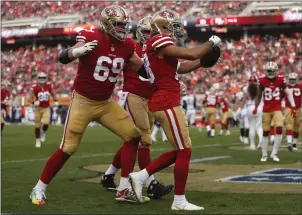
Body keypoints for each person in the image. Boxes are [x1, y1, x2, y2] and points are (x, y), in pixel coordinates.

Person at [30, 5, 149, 205]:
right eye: (118, 25)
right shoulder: (90, 35)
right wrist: (76, 52)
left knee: (133, 136)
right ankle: (38, 188)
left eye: (124, 25)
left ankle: (123, 189)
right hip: (83, 102)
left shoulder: (127, 45)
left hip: (106, 103)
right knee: (68, 148)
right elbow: (63, 57)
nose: (123, 29)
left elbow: (142, 69)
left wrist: (167, 77)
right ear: (107, 24)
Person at [128, 9, 221, 210]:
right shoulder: (157, 41)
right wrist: (211, 42)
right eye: (173, 25)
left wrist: (203, 63)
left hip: (166, 100)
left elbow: (183, 66)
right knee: (185, 150)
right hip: (166, 101)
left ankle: (141, 176)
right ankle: (179, 201)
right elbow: (192, 52)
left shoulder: (160, 46)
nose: (177, 29)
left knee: (181, 150)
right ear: (162, 26)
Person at [100, 16, 173, 199]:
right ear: (140, 31)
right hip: (132, 96)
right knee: (143, 139)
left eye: (153, 32)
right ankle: (151, 183)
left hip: (148, 99)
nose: (150, 35)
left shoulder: (157, 50)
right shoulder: (131, 47)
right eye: (147, 31)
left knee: (132, 141)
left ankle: (109, 175)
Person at [254, 62, 296, 162]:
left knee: (280, 129)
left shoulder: (281, 80)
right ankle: (264, 155)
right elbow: (259, 95)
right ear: (266, 71)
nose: (271, 73)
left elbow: (288, 93)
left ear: (276, 71)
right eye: (269, 71)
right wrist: (256, 107)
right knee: (265, 132)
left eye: (273, 71)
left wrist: (293, 106)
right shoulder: (262, 80)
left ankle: (274, 153)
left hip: (277, 108)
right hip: (266, 109)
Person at [29, 72, 58, 147]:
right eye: (40, 78)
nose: (42, 79)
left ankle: (43, 131)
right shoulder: (34, 87)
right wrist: (34, 102)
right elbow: (30, 98)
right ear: (38, 78)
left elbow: (53, 94)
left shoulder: (48, 86)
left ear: (46, 78)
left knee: (46, 123)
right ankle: (37, 140)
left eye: (43, 78)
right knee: (37, 126)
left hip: (46, 108)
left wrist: (56, 101)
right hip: (38, 108)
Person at [237, 76, 263, 150]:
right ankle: (261, 141)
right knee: (259, 127)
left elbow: (244, 100)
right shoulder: (260, 87)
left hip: (250, 107)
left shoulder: (246, 88)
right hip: (259, 107)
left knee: (252, 127)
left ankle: (252, 145)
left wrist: (239, 110)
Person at [285, 72, 301, 151]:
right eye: (291, 79)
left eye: (293, 79)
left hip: (298, 108)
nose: (292, 81)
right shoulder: (286, 87)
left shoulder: (300, 86)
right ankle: (289, 142)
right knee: (289, 124)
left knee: (297, 125)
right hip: (289, 108)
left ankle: (294, 142)